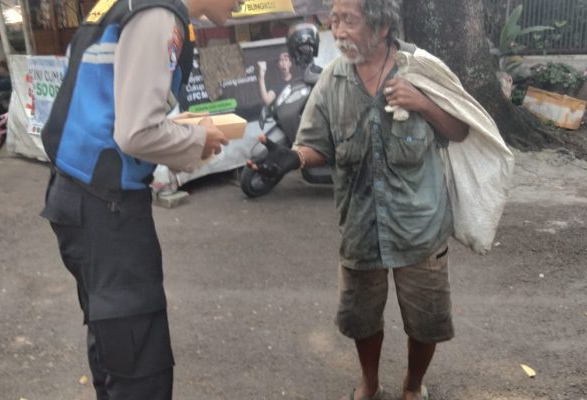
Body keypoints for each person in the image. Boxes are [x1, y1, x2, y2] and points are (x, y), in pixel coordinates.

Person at [248, 0, 474, 399]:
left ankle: (413, 386)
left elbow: (459, 130)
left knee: (426, 320)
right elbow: (315, 144)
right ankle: (369, 384)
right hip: (360, 226)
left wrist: (421, 101)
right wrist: (291, 159)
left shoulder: (422, 70)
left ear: (382, 26)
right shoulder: (332, 80)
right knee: (362, 318)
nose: (337, 31)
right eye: (334, 20)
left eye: (349, 20)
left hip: (419, 227)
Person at [39, 0, 243, 399]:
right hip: (104, 208)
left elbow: (113, 106)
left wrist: (182, 134)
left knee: (113, 343)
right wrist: (200, 139)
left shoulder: (131, 5)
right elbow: (135, 134)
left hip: (79, 196)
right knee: (139, 365)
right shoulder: (160, 16)